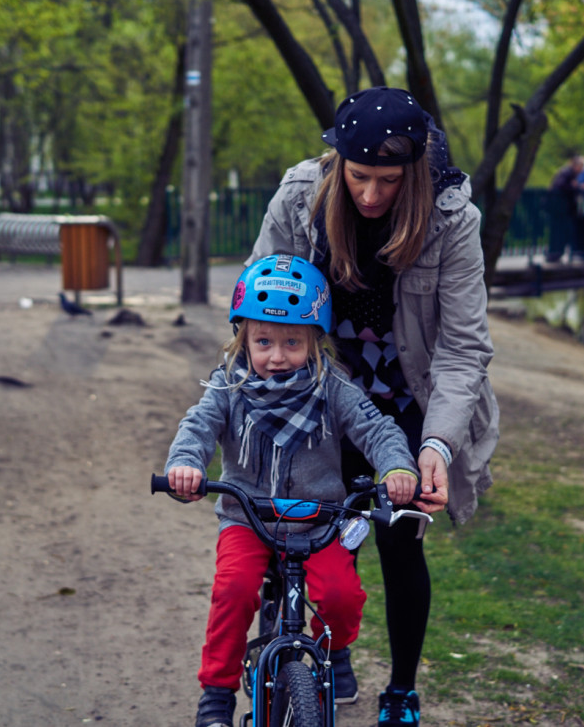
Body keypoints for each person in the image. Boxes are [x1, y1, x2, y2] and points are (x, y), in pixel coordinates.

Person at [247, 86, 500, 727]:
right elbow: (257, 301)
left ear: (413, 170)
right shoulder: (299, 198)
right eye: (358, 176)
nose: (369, 194)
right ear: (339, 163)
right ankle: (327, 653)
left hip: (410, 398)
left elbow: (463, 348)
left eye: (388, 181)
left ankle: (402, 690)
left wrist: (437, 443)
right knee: (313, 533)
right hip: (319, 393)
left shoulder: (451, 220)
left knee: (399, 537)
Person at [164, 253, 420, 727]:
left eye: (291, 342)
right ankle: (216, 693)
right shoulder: (229, 385)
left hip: (317, 523)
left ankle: (334, 651)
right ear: (243, 338)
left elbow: (378, 429)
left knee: (342, 595)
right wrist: (185, 465)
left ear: (315, 342)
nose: (276, 356)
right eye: (263, 341)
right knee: (233, 591)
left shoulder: (332, 386)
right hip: (248, 520)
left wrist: (396, 467)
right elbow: (197, 427)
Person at [544, 154, 584, 263]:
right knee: (558, 231)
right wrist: (574, 186)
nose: (582, 169)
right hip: (559, 208)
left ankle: (557, 253)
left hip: (562, 207)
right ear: (575, 165)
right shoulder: (566, 173)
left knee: (561, 231)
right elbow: (560, 186)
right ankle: (554, 254)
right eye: (581, 166)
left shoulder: (570, 173)